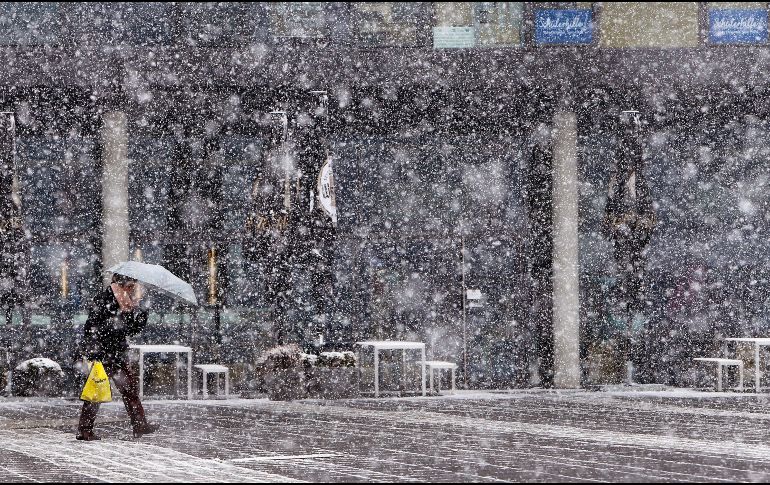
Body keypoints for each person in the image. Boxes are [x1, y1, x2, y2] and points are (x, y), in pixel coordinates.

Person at [76, 273, 159, 441]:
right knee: (97, 390)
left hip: (117, 354)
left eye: (133, 286)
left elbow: (131, 330)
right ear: (121, 284)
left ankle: (139, 425)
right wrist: (97, 348)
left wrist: (143, 312)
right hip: (103, 354)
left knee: (129, 390)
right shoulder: (104, 298)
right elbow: (91, 327)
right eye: (130, 286)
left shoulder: (126, 302)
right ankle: (84, 430)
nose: (132, 289)